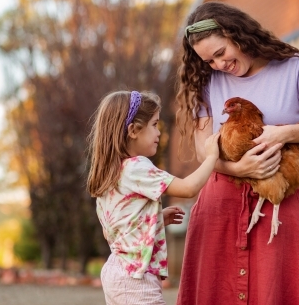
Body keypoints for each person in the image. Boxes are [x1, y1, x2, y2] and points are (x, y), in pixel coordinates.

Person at [175, 1, 299, 305]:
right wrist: (239, 170)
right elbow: (206, 151)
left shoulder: (294, 67)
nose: (218, 65)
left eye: (220, 53)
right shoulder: (206, 80)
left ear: (238, 35)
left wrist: (283, 133)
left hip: (278, 195)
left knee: (274, 290)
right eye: (209, 61)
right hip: (221, 201)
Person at [86, 90, 220, 305]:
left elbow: (120, 225)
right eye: (154, 124)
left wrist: (155, 218)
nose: (159, 132)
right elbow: (187, 188)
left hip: (117, 270)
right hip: (136, 278)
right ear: (133, 130)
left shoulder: (111, 173)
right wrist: (212, 157)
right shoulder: (136, 167)